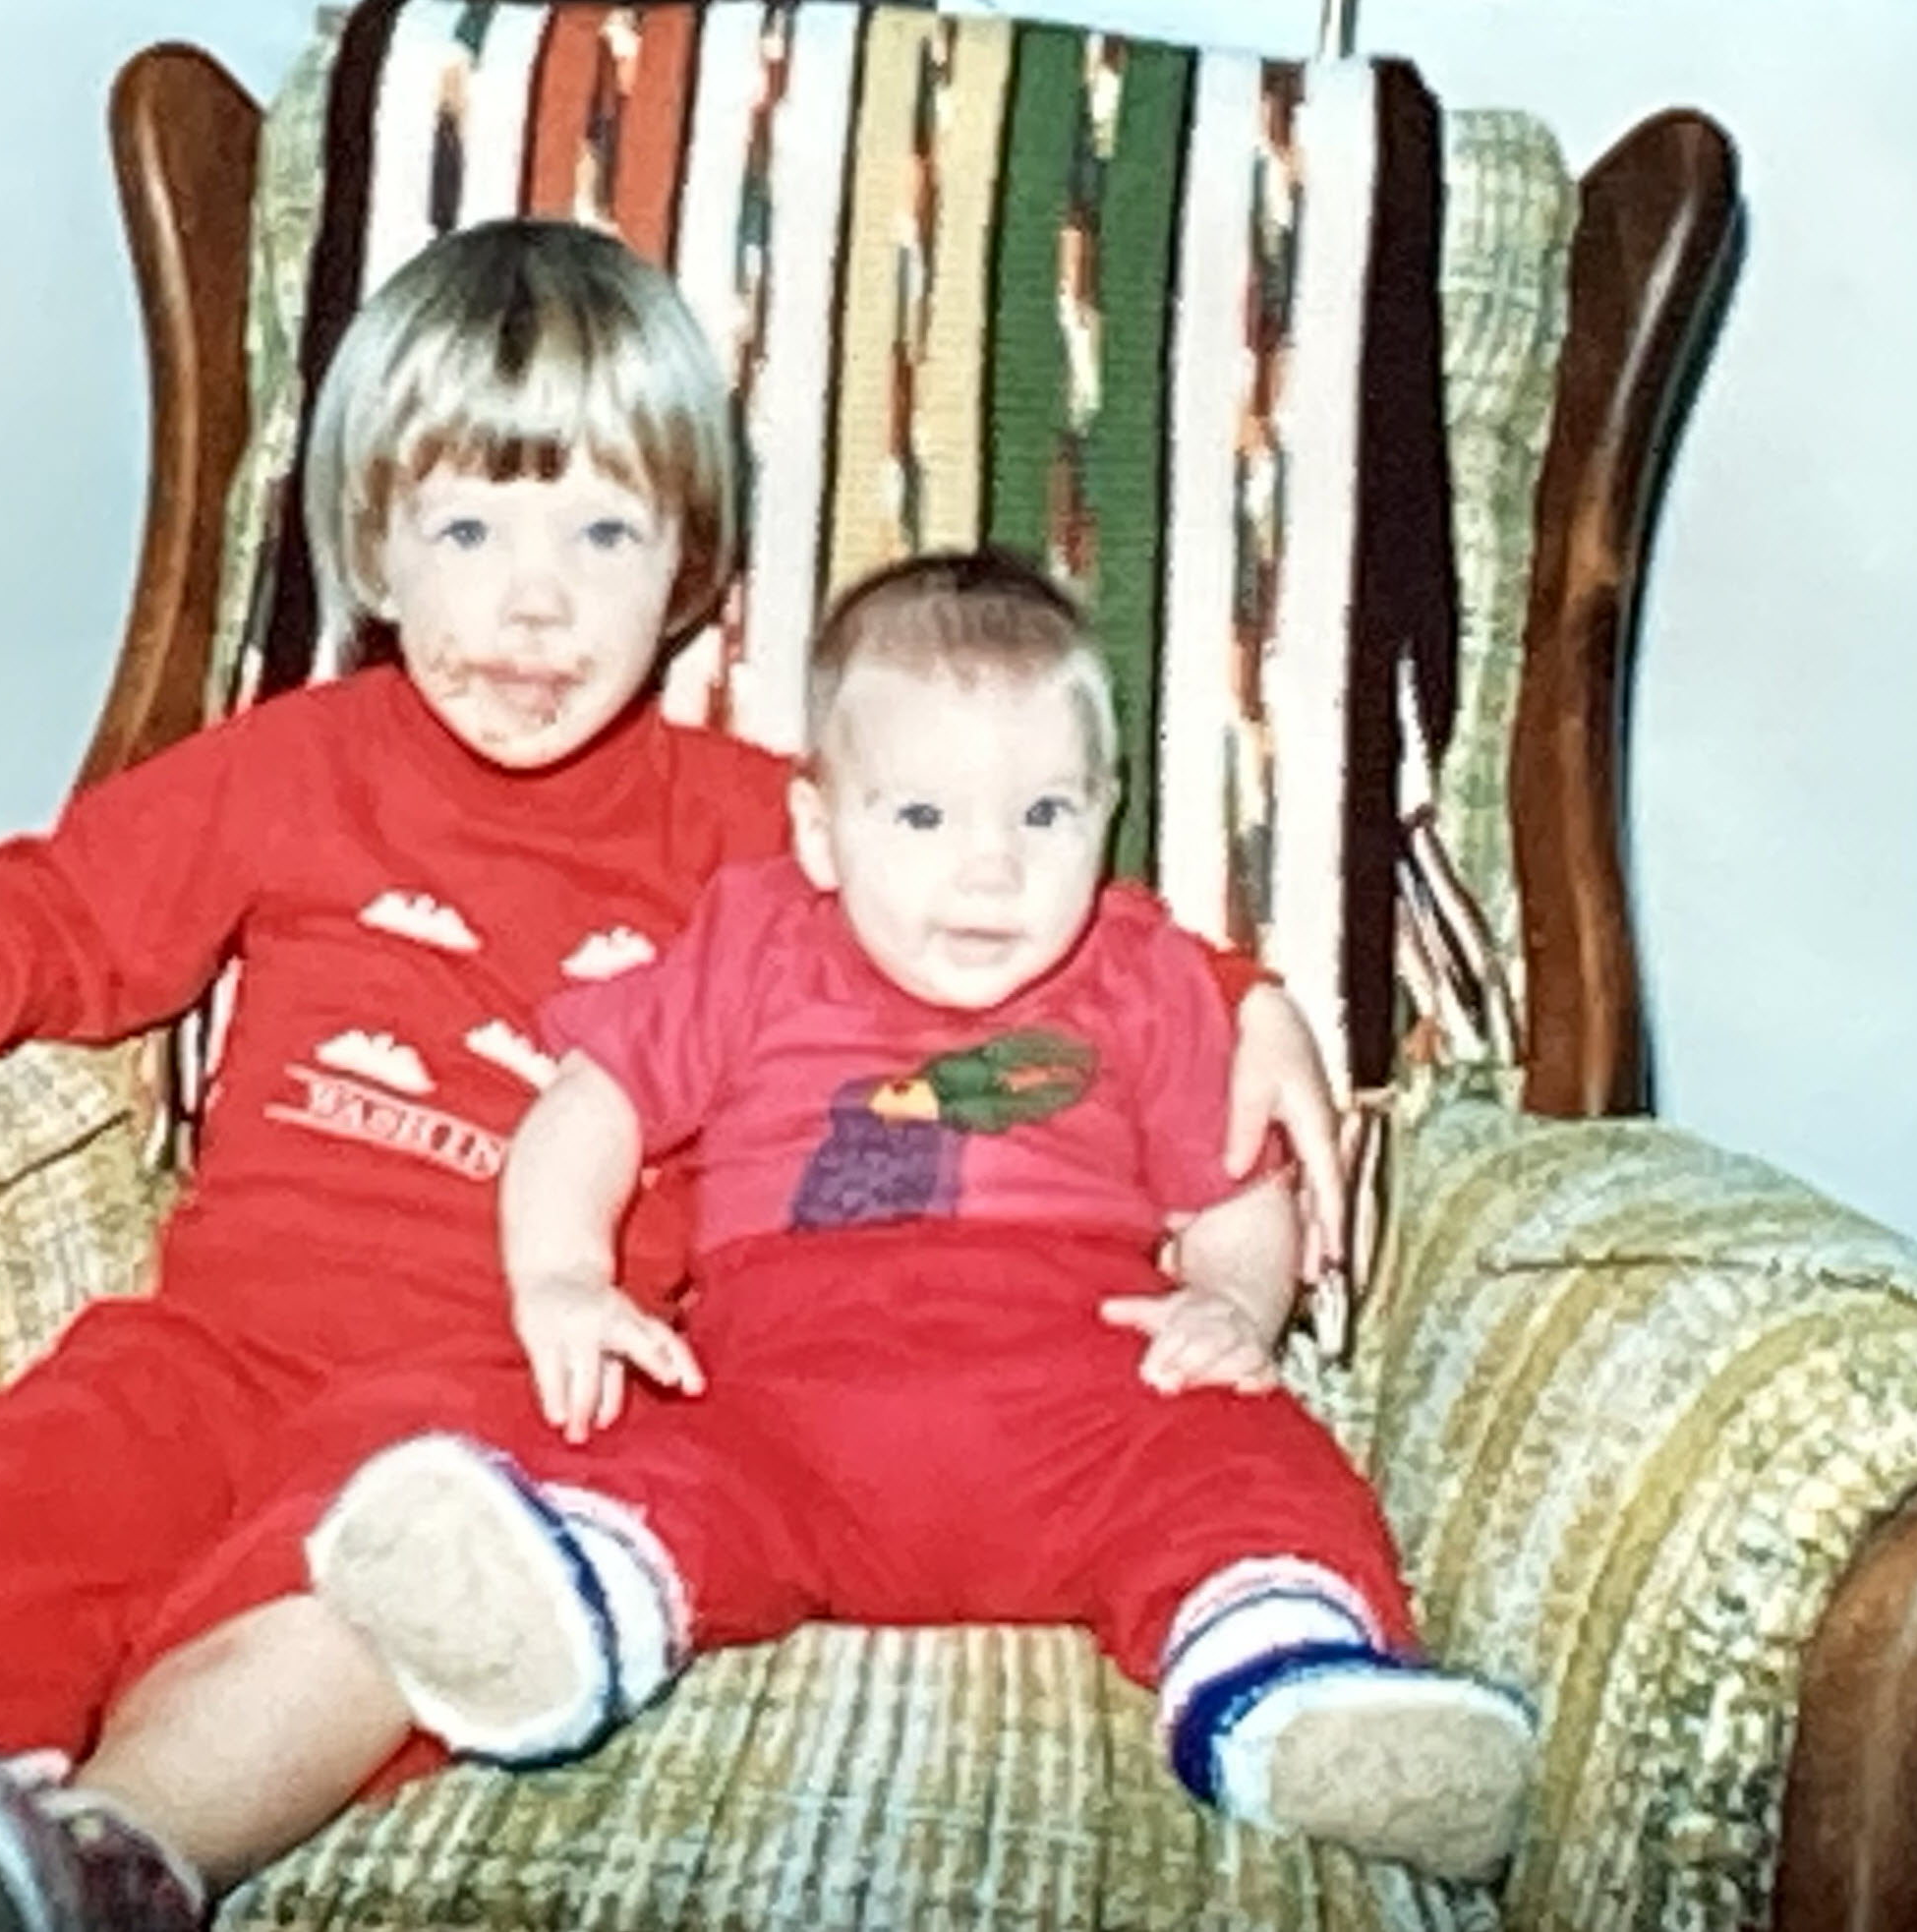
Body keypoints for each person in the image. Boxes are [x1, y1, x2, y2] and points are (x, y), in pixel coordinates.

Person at [0, 227, 1334, 1932]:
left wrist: (1243, 996)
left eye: (601, 536)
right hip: (214, 1337)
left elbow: (1004, 904)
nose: (532, 605)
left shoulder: (768, 826)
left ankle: (105, 1854)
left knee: (362, 1596)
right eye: (469, 532)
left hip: (531, 1368)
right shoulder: (291, 763)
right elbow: (71, 914)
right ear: (370, 545)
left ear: (689, 562)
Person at [305, 552, 1538, 1885]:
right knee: (662, 1469)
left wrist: (1232, 1306)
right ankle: (571, 1608)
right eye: (925, 818)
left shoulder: (1145, 972)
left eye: (1045, 813)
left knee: (1251, 1464)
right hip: (787, 1403)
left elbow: (1240, 1184)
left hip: (1090, 1403)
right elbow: (588, 1108)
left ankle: (1287, 1681)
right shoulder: (756, 940)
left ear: (1106, 814)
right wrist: (557, 1277)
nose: (992, 871)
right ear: (823, 833)